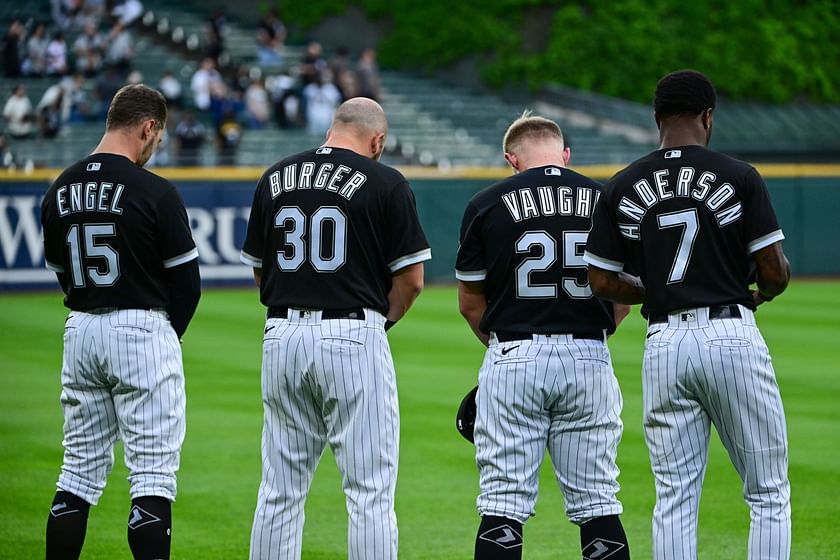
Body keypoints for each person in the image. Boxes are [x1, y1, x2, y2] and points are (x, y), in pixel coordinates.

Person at [584, 69, 791, 560]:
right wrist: (758, 294)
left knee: (675, 499)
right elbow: (774, 273)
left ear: (656, 118)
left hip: (665, 343)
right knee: (767, 493)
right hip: (729, 334)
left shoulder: (622, 184)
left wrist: (648, 288)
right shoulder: (739, 175)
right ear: (708, 116)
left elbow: (600, 281)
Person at [241, 97, 431, 560]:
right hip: (352, 332)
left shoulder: (276, 176)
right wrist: (376, 325)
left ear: (333, 128)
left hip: (281, 335)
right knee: (369, 492)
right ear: (378, 139)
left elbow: (261, 272)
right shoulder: (386, 181)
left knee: (279, 491)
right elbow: (411, 282)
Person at [455, 112, 632, 560]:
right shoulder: (604, 198)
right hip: (588, 354)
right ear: (566, 155)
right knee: (598, 504)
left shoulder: (486, 203)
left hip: (514, 352)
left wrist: (504, 347)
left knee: (502, 506)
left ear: (511, 159)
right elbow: (623, 296)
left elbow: (470, 303)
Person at [40, 84, 201, 560]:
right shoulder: (155, 190)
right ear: (148, 126)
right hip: (141, 328)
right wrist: (165, 337)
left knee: (76, 473)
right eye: (158, 135)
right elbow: (187, 285)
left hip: (81, 327)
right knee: (151, 476)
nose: (157, 146)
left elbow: (62, 275)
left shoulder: (60, 188)